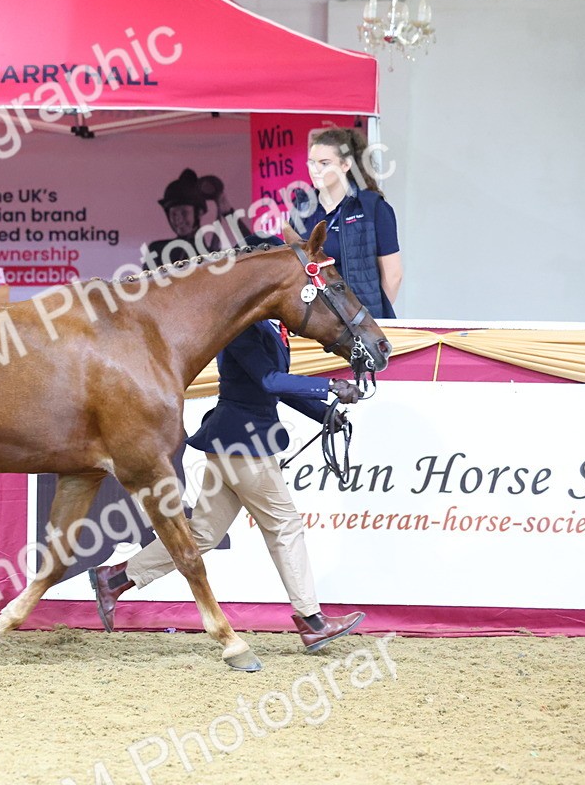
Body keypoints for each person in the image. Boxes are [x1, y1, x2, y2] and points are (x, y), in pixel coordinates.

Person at [88, 318, 367, 652]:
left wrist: (323, 413)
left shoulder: (266, 328)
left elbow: (272, 389)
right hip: (245, 447)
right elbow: (269, 381)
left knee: (204, 533)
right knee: (285, 527)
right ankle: (312, 621)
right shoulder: (244, 328)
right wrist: (330, 386)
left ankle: (116, 578)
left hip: (230, 443)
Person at [298, 127, 402, 319]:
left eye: (324, 163)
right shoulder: (301, 210)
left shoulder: (373, 208)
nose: (315, 170)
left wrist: (366, 321)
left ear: (346, 165)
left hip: (360, 326)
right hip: (313, 324)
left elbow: (393, 275)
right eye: (311, 162)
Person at [144, 169, 250, 270]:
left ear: (198, 212)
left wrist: (228, 213)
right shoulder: (158, 250)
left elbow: (255, 251)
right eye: (174, 213)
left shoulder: (213, 252)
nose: (178, 219)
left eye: (184, 212)